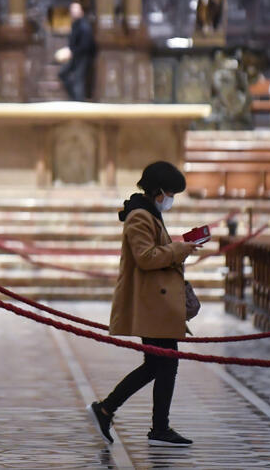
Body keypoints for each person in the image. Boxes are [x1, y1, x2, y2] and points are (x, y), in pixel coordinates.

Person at [88, 161, 200, 447]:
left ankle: (114, 411)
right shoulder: (140, 216)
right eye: (171, 192)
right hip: (151, 303)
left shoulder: (148, 212)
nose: (171, 199)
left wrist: (180, 247)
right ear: (158, 190)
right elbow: (146, 257)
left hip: (156, 303)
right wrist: (179, 249)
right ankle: (136, 420)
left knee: (158, 364)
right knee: (162, 363)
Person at [56, 2, 95, 101]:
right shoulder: (75, 24)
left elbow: (85, 45)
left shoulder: (84, 26)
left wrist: (72, 52)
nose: (74, 12)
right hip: (75, 55)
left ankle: (79, 103)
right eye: (72, 11)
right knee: (63, 73)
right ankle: (74, 98)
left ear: (81, 12)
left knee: (78, 80)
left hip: (83, 57)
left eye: (76, 10)